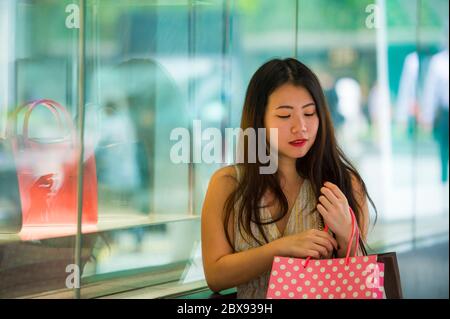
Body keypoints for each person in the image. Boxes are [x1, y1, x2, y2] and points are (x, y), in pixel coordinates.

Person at [201, 58, 377, 299]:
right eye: (284, 116)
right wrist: (281, 249)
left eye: (309, 113)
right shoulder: (228, 184)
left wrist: (347, 236)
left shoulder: (344, 183)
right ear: (258, 119)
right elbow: (215, 276)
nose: (300, 127)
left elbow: (358, 281)